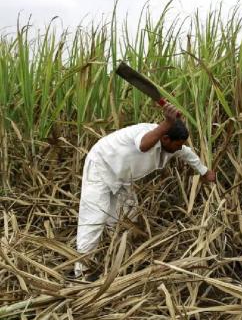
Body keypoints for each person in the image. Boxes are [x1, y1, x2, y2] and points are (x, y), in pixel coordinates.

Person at [74, 103, 215, 281]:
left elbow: (187, 153)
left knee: (128, 218)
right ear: (165, 139)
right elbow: (143, 146)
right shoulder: (145, 133)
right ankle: (81, 274)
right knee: (94, 220)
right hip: (101, 168)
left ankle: (119, 260)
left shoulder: (172, 145)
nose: (179, 148)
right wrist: (166, 122)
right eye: (177, 145)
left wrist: (204, 172)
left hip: (122, 178)